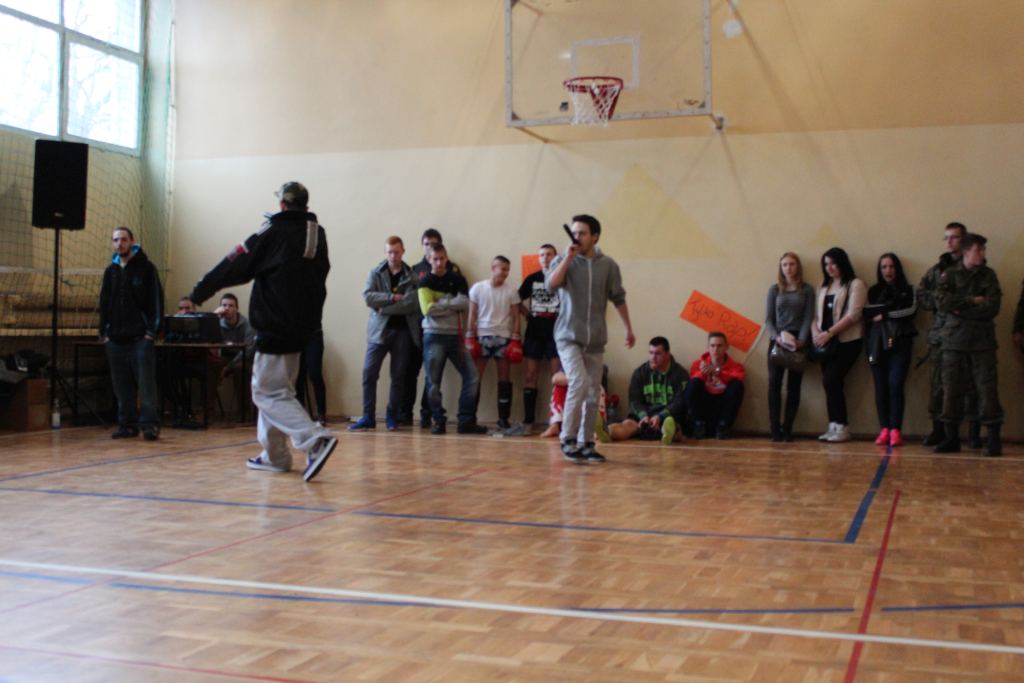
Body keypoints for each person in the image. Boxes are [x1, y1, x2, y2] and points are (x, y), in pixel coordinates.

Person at [187, 181, 336, 482]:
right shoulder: (316, 234)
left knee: (267, 392)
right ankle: (275, 456)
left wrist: (200, 291)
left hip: (275, 323)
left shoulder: (274, 231)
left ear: (282, 204)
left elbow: (236, 261)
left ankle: (314, 439)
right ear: (305, 205)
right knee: (278, 390)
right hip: (304, 326)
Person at [546, 214, 635, 463]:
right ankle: (567, 438)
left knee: (594, 391)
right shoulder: (564, 260)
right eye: (574, 232)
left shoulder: (608, 265)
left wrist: (628, 328)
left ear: (594, 237)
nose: (577, 237)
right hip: (568, 336)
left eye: (582, 233)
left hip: (595, 339)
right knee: (579, 381)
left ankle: (586, 443)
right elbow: (551, 284)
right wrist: (567, 258)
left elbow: (618, 297)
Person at [935, 233, 1003, 456]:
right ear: (966, 252)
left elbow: (992, 307)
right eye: (978, 249)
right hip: (954, 342)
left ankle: (993, 439)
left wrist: (960, 310)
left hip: (982, 343)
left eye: (983, 249)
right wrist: (972, 300)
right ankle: (951, 438)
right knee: (951, 390)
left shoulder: (988, 276)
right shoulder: (950, 274)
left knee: (987, 390)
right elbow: (942, 302)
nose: (982, 253)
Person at [917, 222, 980, 447]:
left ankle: (973, 433)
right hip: (941, 334)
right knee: (938, 385)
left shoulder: (974, 268)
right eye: (946, 238)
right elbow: (922, 295)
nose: (949, 242)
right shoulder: (937, 270)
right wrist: (942, 302)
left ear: (964, 240)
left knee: (971, 385)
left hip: (968, 333)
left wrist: (958, 303)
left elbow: (980, 300)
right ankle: (939, 430)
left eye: (954, 237)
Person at [99, 226, 164, 441]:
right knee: (121, 386)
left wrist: (151, 331)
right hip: (115, 338)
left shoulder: (147, 268)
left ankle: (149, 425)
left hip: (140, 337)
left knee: (145, 385)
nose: (120, 243)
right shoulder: (111, 271)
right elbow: (104, 302)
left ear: (132, 242)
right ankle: (127, 424)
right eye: (116, 240)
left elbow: (156, 299)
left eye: (123, 239)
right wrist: (104, 332)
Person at [350, 235, 420, 431]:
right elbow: (368, 297)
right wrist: (392, 297)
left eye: (396, 252)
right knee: (369, 373)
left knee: (398, 377)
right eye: (389, 252)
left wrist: (384, 309)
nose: (393, 256)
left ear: (403, 251)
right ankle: (368, 416)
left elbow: (411, 304)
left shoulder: (412, 276)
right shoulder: (375, 273)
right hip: (378, 332)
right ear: (385, 252)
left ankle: (392, 417)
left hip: (403, 332)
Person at [418, 243, 486, 435]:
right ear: (429, 260)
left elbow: (464, 303)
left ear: (446, 258)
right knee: (433, 382)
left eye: (442, 258)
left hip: (456, 336)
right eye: (435, 259)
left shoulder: (458, 279)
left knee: (472, 376)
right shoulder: (424, 282)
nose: (439, 263)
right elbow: (427, 310)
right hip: (433, 336)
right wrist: (451, 304)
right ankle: (438, 420)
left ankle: (466, 421)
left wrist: (440, 302)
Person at [403, 228, 463, 427]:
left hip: (440, 329)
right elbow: (413, 301)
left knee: (433, 375)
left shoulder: (452, 270)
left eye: (434, 244)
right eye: (426, 244)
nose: (430, 248)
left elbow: (460, 300)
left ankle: (427, 413)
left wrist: (437, 306)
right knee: (411, 372)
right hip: (416, 329)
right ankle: (405, 413)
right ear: (422, 246)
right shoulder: (414, 269)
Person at [811, 247, 867, 443]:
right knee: (830, 384)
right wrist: (816, 333)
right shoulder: (823, 287)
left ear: (842, 263)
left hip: (847, 341)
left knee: (831, 380)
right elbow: (814, 316)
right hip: (824, 343)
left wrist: (829, 333)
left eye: (833, 263)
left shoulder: (856, 284)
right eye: (826, 264)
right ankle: (833, 425)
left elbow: (854, 315)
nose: (830, 268)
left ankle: (842, 426)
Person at [865, 253, 917, 447]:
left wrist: (886, 314)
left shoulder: (908, 290)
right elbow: (867, 314)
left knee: (895, 384)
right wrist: (884, 312)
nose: (888, 271)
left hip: (900, 342)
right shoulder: (873, 291)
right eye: (884, 267)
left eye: (892, 266)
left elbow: (910, 311)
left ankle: (896, 429)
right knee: (880, 387)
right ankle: (884, 428)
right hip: (876, 344)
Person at [765, 252, 815, 442]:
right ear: (781, 267)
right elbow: (768, 319)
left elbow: (808, 317)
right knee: (774, 384)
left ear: (798, 266)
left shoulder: (807, 290)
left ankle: (788, 428)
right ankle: (774, 428)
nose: (788, 268)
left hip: (798, 341)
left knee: (794, 386)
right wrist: (777, 337)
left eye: (792, 264)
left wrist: (801, 340)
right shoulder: (774, 290)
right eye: (784, 264)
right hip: (778, 340)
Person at [467, 255, 521, 429]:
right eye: (502, 269)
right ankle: (470, 417)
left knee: (504, 378)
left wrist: (516, 338)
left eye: (507, 270)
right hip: (482, 335)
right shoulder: (478, 288)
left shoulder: (511, 291)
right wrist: (470, 336)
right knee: (476, 377)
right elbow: (472, 314)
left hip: (503, 337)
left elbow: (516, 316)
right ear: (493, 268)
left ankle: (503, 419)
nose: (505, 273)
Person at [610, 337, 688, 445]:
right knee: (627, 425)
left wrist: (660, 416)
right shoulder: (639, 373)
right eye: (651, 353)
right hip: (644, 416)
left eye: (658, 353)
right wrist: (644, 416)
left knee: (673, 426)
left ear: (667, 354)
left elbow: (680, 401)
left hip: (668, 415)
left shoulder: (680, 373)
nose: (653, 357)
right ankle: (606, 431)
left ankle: (669, 433)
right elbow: (634, 400)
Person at [518, 244, 561, 428]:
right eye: (542, 255)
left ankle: (557, 420)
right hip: (534, 332)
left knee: (557, 376)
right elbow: (516, 300)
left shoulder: (562, 277)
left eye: (549, 254)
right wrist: (527, 315)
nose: (545, 258)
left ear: (555, 256)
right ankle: (529, 420)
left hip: (556, 333)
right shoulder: (532, 279)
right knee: (530, 375)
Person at [684, 332, 745, 439]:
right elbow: (693, 386)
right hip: (704, 406)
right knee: (693, 383)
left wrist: (718, 372)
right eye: (712, 346)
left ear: (726, 347)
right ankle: (698, 425)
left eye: (719, 346)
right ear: (708, 347)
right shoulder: (697, 364)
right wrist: (704, 372)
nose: (716, 349)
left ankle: (723, 427)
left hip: (722, 407)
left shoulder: (736, 366)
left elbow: (739, 378)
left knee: (737, 385)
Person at [212, 292, 256, 420]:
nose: (227, 308)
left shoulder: (248, 324)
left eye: (231, 305)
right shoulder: (218, 324)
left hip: (244, 359)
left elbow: (248, 350)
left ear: (237, 308)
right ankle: (207, 410)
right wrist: (214, 318)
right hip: (226, 358)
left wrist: (228, 367)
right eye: (224, 305)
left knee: (239, 368)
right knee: (211, 365)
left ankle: (244, 412)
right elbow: (208, 340)